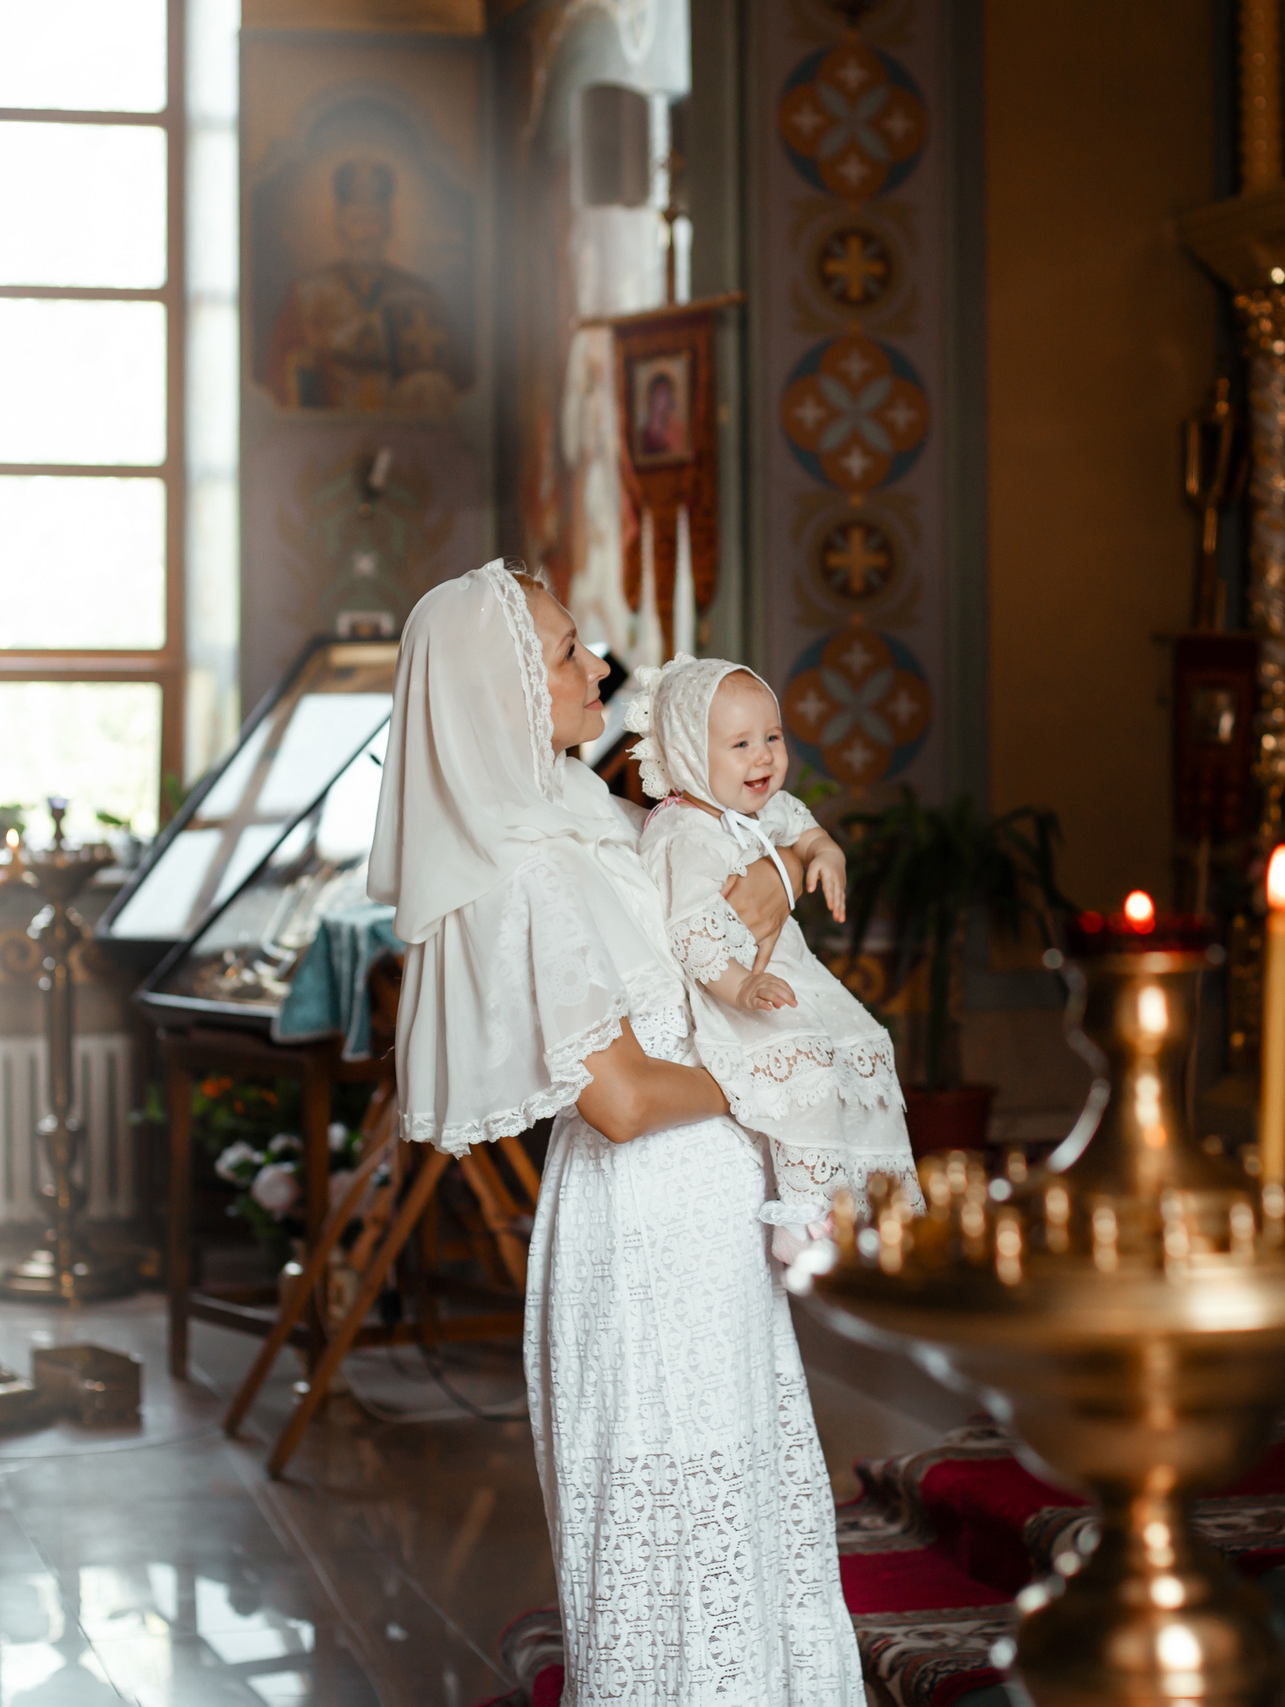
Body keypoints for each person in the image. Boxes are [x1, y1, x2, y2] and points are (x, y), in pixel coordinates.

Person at [366, 561, 861, 1704]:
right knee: (677, 1530)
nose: (598, 666)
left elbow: (712, 856)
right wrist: (777, 1076)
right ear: (501, 692)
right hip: (646, 1224)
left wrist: (786, 870)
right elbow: (623, 1098)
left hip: (702, 1209)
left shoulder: (581, 809)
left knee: (736, 1505)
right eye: (566, 651)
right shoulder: (519, 868)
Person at [624, 657, 918, 1259]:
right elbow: (692, 929)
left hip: (791, 975)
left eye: (773, 738)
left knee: (865, 1047)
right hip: (732, 988)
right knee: (802, 1059)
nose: (764, 756)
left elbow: (805, 830)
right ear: (686, 755)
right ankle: (805, 1215)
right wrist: (741, 987)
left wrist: (826, 854)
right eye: (740, 744)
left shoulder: (760, 812)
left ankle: (866, 1200)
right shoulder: (682, 834)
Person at [265, 158, 469, 414]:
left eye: (374, 221)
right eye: (356, 221)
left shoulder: (420, 295)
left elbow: (454, 375)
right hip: (329, 423)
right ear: (340, 225)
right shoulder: (307, 293)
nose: (365, 234)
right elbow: (281, 372)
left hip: (403, 427)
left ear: (388, 225)